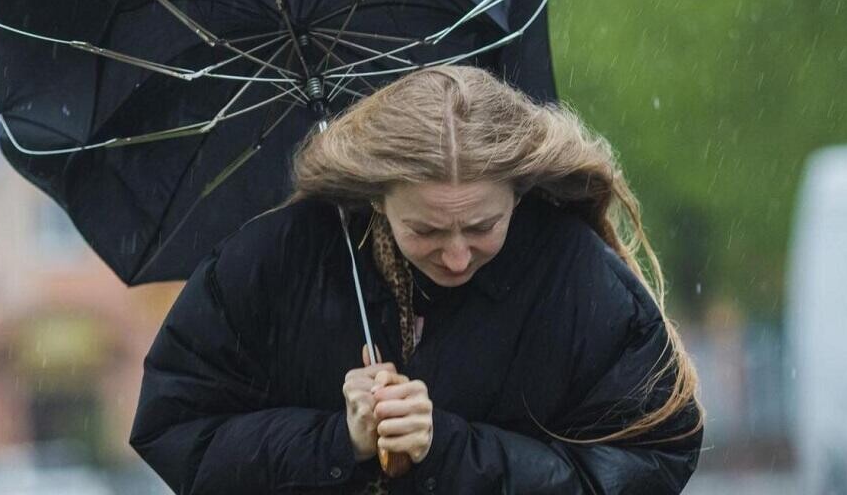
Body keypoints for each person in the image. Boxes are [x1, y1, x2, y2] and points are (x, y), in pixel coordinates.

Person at [129, 65, 704, 494]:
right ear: (377, 198)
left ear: (519, 193)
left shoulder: (578, 281)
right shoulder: (274, 261)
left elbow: (647, 466)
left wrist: (449, 451)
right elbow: (178, 432)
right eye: (425, 229)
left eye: (482, 226)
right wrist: (338, 441)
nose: (456, 256)